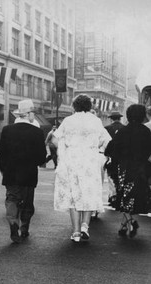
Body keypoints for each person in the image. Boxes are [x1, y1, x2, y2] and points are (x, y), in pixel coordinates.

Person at [52, 94, 112, 243]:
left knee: (74, 195)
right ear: (89, 106)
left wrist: (65, 147)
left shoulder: (68, 120)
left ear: (74, 106)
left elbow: (54, 139)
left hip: (72, 161)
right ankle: (85, 226)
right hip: (90, 161)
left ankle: (76, 232)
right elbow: (107, 141)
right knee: (88, 192)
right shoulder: (96, 121)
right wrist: (94, 146)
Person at [0, 99, 46, 243]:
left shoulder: (6, 130)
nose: (34, 115)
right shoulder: (37, 132)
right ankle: (24, 227)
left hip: (11, 172)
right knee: (27, 202)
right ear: (28, 114)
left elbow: (1, 154)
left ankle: (13, 222)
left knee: (12, 198)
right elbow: (41, 157)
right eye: (33, 113)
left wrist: (3, 170)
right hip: (29, 174)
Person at [104, 104, 151, 238]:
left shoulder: (123, 132)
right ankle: (124, 225)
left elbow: (111, 150)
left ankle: (131, 222)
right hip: (141, 169)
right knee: (133, 198)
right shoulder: (146, 132)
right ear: (142, 115)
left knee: (123, 197)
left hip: (124, 168)